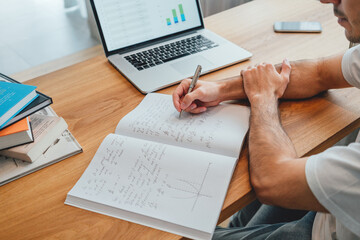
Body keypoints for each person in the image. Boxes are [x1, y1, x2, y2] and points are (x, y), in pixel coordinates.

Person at [172, 0, 360, 239]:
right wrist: (219, 88)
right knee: (240, 220)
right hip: (333, 216)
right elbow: (319, 72)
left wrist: (263, 97)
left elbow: (272, 181)